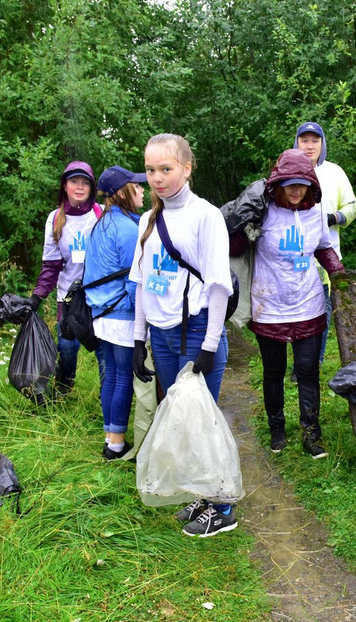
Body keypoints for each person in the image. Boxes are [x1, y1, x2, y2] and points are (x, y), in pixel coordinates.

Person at [129, 133, 238, 538]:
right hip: (161, 334)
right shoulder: (148, 220)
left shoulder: (206, 217)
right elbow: (141, 283)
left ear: (187, 168)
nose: (157, 178)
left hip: (195, 334)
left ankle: (223, 507)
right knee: (177, 416)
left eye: (166, 169)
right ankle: (200, 493)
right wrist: (139, 340)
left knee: (202, 419)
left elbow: (218, 287)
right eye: (151, 169)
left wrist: (210, 345)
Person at [242, 148, 345, 457]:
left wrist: (340, 275)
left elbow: (324, 248)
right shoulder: (264, 210)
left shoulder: (316, 211)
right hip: (269, 306)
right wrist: (242, 224)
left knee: (308, 370)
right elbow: (236, 242)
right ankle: (277, 429)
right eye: (290, 183)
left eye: (302, 183)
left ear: (311, 183)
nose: (297, 189)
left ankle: (312, 434)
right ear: (279, 182)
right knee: (273, 372)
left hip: (308, 303)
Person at [84, 166, 146, 460]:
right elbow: (134, 282)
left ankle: (111, 438)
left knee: (110, 376)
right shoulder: (128, 229)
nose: (143, 190)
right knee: (123, 378)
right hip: (121, 314)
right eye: (137, 186)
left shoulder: (101, 224)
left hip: (100, 313)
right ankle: (117, 445)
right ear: (123, 192)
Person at [28, 161, 103, 394]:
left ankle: (107, 395)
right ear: (65, 186)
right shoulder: (55, 219)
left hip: (98, 295)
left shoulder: (101, 214)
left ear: (92, 187)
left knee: (103, 348)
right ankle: (64, 389)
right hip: (68, 296)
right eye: (74, 182)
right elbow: (51, 266)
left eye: (85, 183)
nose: (79, 188)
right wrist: (37, 296)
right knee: (67, 347)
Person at [293, 122, 356, 364]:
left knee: (322, 311)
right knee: (296, 311)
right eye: (304, 140)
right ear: (296, 142)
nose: (309, 146)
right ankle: (299, 361)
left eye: (315, 141)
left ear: (322, 144)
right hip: (293, 257)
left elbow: (352, 206)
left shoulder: (335, 172)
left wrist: (334, 218)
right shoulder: (286, 170)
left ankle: (314, 363)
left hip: (326, 258)